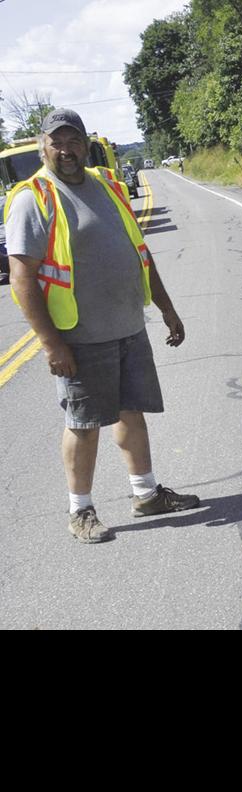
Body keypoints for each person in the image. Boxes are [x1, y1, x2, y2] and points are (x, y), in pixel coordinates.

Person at [3, 109, 198, 544]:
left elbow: (139, 251)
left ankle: (146, 494)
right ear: (42, 147)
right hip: (79, 337)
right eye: (56, 142)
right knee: (83, 424)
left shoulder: (108, 185)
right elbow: (21, 278)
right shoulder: (34, 198)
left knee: (132, 411)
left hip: (128, 326)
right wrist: (51, 343)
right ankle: (80, 510)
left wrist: (166, 308)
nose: (66, 150)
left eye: (73, 141)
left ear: (86, 145)